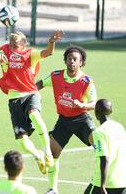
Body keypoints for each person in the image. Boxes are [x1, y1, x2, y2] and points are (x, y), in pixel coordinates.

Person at [0, 30, 63, 175]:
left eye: (16, 44)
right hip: (14, 99)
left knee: (35, 115)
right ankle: (37, 155)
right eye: (11, 44)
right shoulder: (4, 54)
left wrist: (51, 42)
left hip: (31, 93)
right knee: (21, 140)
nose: (12, 47)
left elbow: (48, 53)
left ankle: (47, 153)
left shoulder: (31, 54)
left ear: (24, 44)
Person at [36, 45, 97, 194]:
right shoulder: (55, 76)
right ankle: (52, 190)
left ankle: (124, 171)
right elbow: (39, 84)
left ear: (81, 62)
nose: (72, 61)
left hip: (82, 119)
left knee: (100, 144)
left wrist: (82, 104)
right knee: (52, 153)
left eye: (75, 59)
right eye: (69, 58)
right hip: (63, 121)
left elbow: (95, 103)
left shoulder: (86, 81)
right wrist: (29, 92)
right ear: (65, 61)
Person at [84, 99, 126, 194]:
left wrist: (102, 185)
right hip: (122, 182)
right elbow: (122, 153)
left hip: (104, 184)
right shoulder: (120, 127)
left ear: (96, 113)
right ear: (111, 111)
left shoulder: (99, 132)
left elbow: (104, 158)